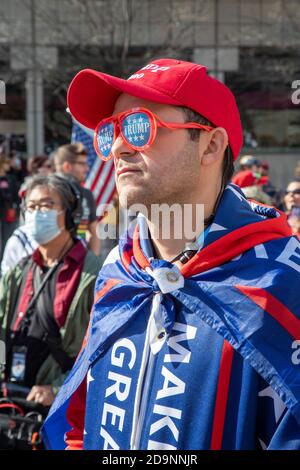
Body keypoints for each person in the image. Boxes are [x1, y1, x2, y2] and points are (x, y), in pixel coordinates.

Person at [43, 58, 300, 450]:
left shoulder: (282, 284)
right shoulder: (118, 273)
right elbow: (80, 421)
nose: (117, 147)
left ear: (211, 145)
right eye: (112, 129)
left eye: (140, 126)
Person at [0, 174, 102, 407]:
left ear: (70, 214)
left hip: (58, 411)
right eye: (32, 207)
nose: (37, 214)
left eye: (46, 205)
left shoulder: (93, 275)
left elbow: (101, 350)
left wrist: (58, 389)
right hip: (13, 403)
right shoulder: (18, 271)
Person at [53, 143, 100, 256]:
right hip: (52, 260)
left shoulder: (86, 194)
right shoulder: (48, 193)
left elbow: (93, 232)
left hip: (79, 261)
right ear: (67, 167)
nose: (87, 168)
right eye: (82, 164)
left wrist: (94, 263)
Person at [0, 153, 19, 261]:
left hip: (8, 213)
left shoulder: (10, 178)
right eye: (6, 162)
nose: (9, 165)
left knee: (7, 238)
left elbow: (15, 195)